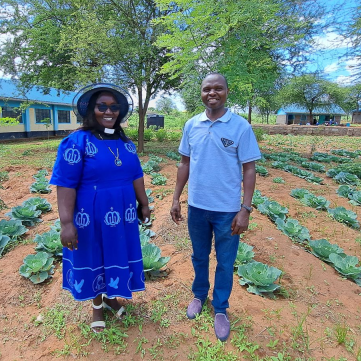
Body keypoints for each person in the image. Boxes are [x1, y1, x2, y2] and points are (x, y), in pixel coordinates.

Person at [50, 83, 151, 333]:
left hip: (123, 214)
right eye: (102, 106)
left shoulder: (125, 143)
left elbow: (136, 174)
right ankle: (97, 304)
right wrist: (66, 223)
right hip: (90, 215)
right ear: (91, 110)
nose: (109, 111)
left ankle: (110, 297)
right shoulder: (76, 142)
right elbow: (65, 184)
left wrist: (144, 204)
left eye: (114, 106)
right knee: (95, 255)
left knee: (115, 253)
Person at [170, 73, 261, 342]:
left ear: (227, 92)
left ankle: (220, 308)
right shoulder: (191, 125)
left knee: (225, 261)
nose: (212, 93)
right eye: (206, 89)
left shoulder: (240, 127)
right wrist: (176, 198)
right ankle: (199, 296)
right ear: (200, 93)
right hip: (198, 207)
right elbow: (184, 163)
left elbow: (250, 168)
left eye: (217, 88)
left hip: (228, 211)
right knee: (199, 257)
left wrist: (245, 208)